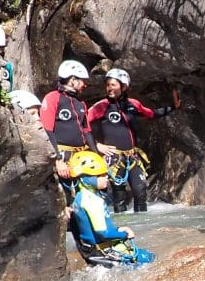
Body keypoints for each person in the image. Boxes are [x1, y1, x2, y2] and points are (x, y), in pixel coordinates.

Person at [87, 67, 181, 213]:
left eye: (113, 85)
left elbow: (151, 114)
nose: (109, 88)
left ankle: (143, 229)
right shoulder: (101, 106)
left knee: (140, 192)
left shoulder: (133, 104)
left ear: (123, 87)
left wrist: (173, 108)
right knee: (119, 196)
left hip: (132, 157)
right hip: (114, 159)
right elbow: (82, 125)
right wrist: (97, 145)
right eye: (108, 85)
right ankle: (121, 231)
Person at [66, 151, 154, 267]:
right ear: (86, 179)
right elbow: (104, 233)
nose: (106, 177)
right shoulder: (93, 201)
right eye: (100, 175)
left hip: (89, 250)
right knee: (148, 258)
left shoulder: (80, 197)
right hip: (101, 252)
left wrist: (118, 229)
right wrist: (124, 234)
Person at [39, 60, 100, 193]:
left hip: (80, 157)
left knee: (88, 194)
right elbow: (47, 130)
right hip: (62, 155)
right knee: (67, 196)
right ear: (72, 80)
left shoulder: (81, 103)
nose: (85, 84)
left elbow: (87, 132)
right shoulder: (53, 98)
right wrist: (58, 160)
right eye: (82, 81)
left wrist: (97, 157)